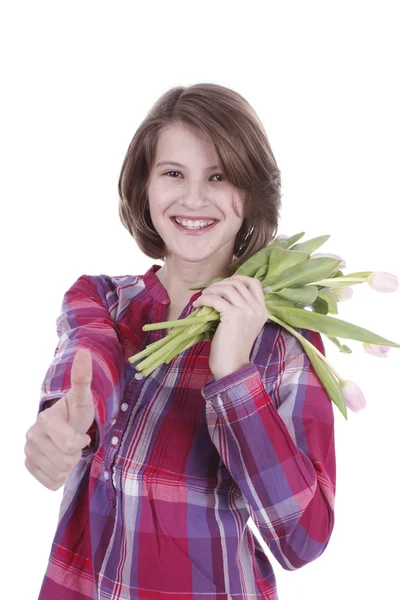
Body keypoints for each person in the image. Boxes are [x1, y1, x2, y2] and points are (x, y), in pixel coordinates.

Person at [25, 83, 336, 600]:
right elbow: (89, 359)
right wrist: (61, 422)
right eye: (173, 173)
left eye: (219, 176)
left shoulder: (284, 344)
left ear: (251, 194)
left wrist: (235, 375)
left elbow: (303, 540)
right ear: (144, 186)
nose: (193, 198)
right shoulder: (103, 299)